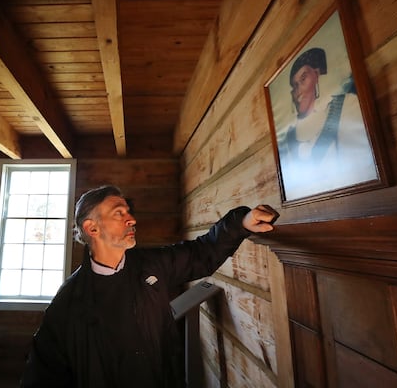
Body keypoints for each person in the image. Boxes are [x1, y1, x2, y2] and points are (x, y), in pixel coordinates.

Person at [20, 185, 277, 388]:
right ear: (92, 227)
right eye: (119, 213)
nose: (131, 219)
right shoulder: (67, 305)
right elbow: (42, 377)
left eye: (129, 211)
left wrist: (241, 222)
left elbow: (202, 253)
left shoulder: (152, 265)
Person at [277, 47, 377, 200]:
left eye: (303, 79)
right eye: (295, 85)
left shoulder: (344, 107)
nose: (298, 92)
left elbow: (364, 170)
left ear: (317, 75)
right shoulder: (290, 135)